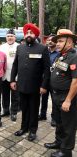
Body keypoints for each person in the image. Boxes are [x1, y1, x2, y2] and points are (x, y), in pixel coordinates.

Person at [10, 23, 50, 141]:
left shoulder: (42, 48)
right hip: (21, 85)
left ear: (35, 35)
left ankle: (32, 131)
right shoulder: (20, 47)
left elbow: (47, 69)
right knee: (24, 108)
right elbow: (15, 65)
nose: (28, 35)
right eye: (27, 32)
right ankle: (24, 128)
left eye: (31, 33)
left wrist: (44, 85)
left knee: (33, 109)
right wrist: (12, 80)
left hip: (35, 86)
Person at [44, 29, 77, 157]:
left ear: (69, 43)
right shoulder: (61, 55)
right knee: (59, 121)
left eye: (60, 41)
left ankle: (66, 151)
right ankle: (59, 142)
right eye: (57, 41)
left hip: (67, 96)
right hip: (57, 95)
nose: (57, 44)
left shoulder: (74, 56)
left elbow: (75, 81)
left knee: (68, 125)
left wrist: (68, 100)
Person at [38, 34, 59, 127]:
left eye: (52, 40)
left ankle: (54, 118)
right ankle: (42, 115)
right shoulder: (44, 52)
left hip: (55, 80)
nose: (50, 41)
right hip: (44, 79)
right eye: (48, 40)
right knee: (44, 98)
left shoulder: (59, 54)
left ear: (56, 42)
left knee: (54, 100)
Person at [0, 29, 20, 121]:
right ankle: (6, 110)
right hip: (4, 75)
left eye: (11, 36)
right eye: (8, 36)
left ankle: (14, 112)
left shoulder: (19, 47)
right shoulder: (2, 47)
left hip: (15, 75)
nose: (10, 38)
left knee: (15, 95)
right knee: (5, 94)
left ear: (15, 37)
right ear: (6, 37)